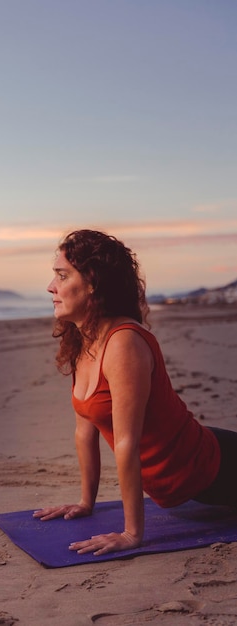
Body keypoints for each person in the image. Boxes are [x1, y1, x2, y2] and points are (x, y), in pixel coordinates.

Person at [33, 229, 237, 557]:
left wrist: (131, 534)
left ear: (93, 283)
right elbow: (85, 431)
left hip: (210, 466)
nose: (51, 287)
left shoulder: (124, 342)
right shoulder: (82, 342)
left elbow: (127, 441)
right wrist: (87, 503)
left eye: (62, 275)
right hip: (187, 472)